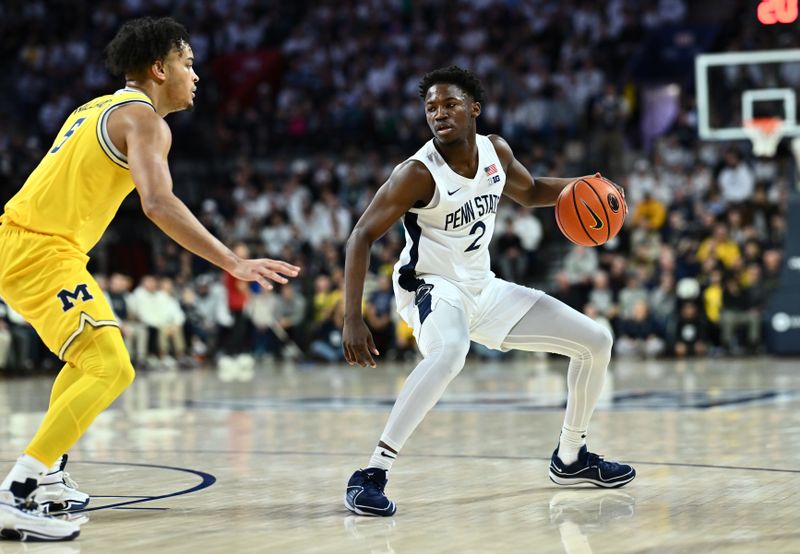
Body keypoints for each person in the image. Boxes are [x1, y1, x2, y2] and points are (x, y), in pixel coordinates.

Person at [0, 17, 299, 541]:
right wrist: (233, 261)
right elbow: (158, 203)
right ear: (159, 69)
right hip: (41, 250)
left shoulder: (96, 106)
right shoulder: (145, 121)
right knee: (114, 366)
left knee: (88, 358)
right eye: (188, 63)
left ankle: (46, 475)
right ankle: (16, 492)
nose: (196, 75)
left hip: (30, 242)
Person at [342, 66, 634, 517]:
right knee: (450, 351)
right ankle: (371, 474)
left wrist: (584, 188)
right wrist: (351, 317)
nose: (439, 113)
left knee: (596, 341)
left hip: (484, 288)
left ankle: (571, 458)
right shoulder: (417, 174)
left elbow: (534, 190)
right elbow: (360, 235)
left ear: (474, 108)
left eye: (450, 104)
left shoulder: (495, 150)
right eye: (431, 107)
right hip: (430, 287)